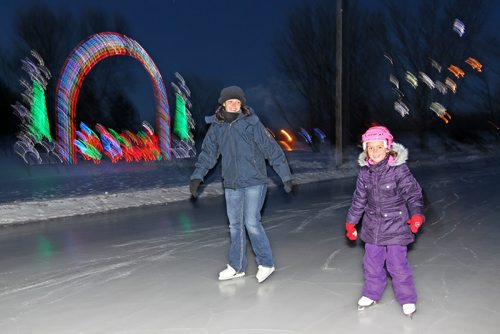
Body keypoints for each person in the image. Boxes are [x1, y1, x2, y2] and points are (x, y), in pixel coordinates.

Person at [190, 85, 294, 283]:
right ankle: (237, 266)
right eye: (231, 102)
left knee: (251, 222)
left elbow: (271, 149)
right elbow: (208, 154)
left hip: (255, 180)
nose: (234, 105)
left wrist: (285, 176)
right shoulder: (217, 127)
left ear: (242, 105)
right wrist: (197, 176)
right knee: (235, 226)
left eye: (238, 102)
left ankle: (266, 263)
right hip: (231, 183)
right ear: (223, 104)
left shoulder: (251, 123)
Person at [344, 125, 425, 317]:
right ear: (365, 150)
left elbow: (413, 194)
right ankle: (372, 293)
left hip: (397, 225)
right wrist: (351, 222)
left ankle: (407, 298)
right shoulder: (365, 173)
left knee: (397, 265)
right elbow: (359, 200)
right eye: (370, 148)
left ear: (388, 147)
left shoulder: (398, 170)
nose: (374, 151)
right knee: (371, 263)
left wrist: (416, 215)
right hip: (373, 227)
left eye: (379, 147)